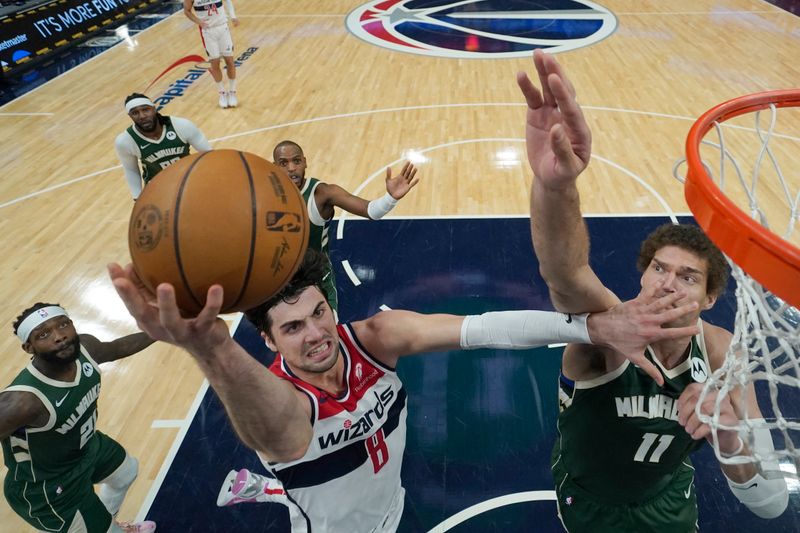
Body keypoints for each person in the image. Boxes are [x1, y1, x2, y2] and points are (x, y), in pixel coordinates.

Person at [109, 249, 703, 532]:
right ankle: (271, 486)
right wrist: (209, 348)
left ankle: (268, 488)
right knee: (306, 491)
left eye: (319, 313)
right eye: (293, 327)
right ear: (267, 340)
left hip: (392, 502)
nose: (317, 335)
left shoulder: (373, 337)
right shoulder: (284, 405)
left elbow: (485, 329)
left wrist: (590, 326)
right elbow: (268, 426)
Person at [517, 50, 789, 531]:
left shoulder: (723, 353)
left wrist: (727, 435)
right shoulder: (608, 332)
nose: (667, 282)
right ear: (642, 276)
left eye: (688, 277)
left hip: (667, 497)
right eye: (659, 269)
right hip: (590, 498)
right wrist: (555, 189)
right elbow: (564, 272)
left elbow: (769, 502)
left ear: (709, 298)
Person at [1, 303, 157, 532]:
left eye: (63, 324)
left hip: (85, 449)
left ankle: (108, 524)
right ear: (28, 347)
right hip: (47, 488)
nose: (60, 336)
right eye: (44, 334)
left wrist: (161, 331)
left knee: (127, 473)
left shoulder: (86, 349)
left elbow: (116, 347)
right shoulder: (23, 401)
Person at [273, 140, 420, 311]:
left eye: (296, 161)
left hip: (317, 281)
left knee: (326, 336)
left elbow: (371, 211)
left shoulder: (323, 194)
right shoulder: (265, 196)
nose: (291, 168)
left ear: (305, 162)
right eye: (284, 163)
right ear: (274, 166)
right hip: (281, 281)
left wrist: (391, 198)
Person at [114, 93, 212, 200]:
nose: (142, 116)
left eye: (146, 110)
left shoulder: (181, 125)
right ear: (130, 116)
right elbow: (131, 170)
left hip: (188, 181)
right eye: (135, 113)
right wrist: (137, 197)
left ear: (154, 109)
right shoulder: (125, 141)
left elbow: (209, 154)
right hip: (157, 189)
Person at [183, 0, 240, 108]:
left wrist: (233, 16)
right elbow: (187, 11)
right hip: (208, 31)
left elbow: (227, 1)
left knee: (230, 61)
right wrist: (199, 22)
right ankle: (222, 93)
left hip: (223, 27)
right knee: (215, 63)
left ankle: (232, 92)